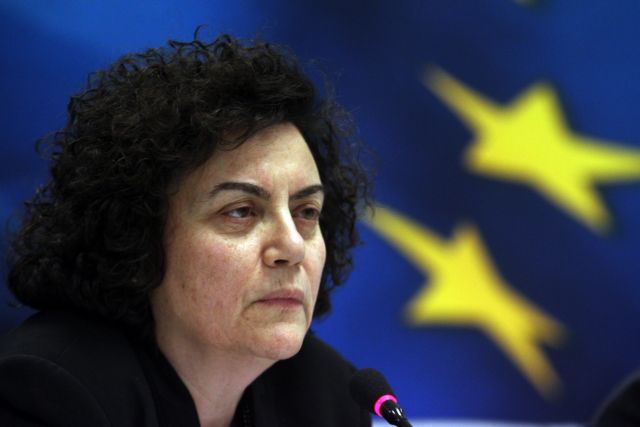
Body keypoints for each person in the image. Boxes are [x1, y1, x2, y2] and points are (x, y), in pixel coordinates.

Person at [0, 32, 372, 427]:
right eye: (241, 211)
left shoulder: (329, 395)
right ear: (138, 236)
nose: (293, 246)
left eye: (307, 212)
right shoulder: (52, 394)